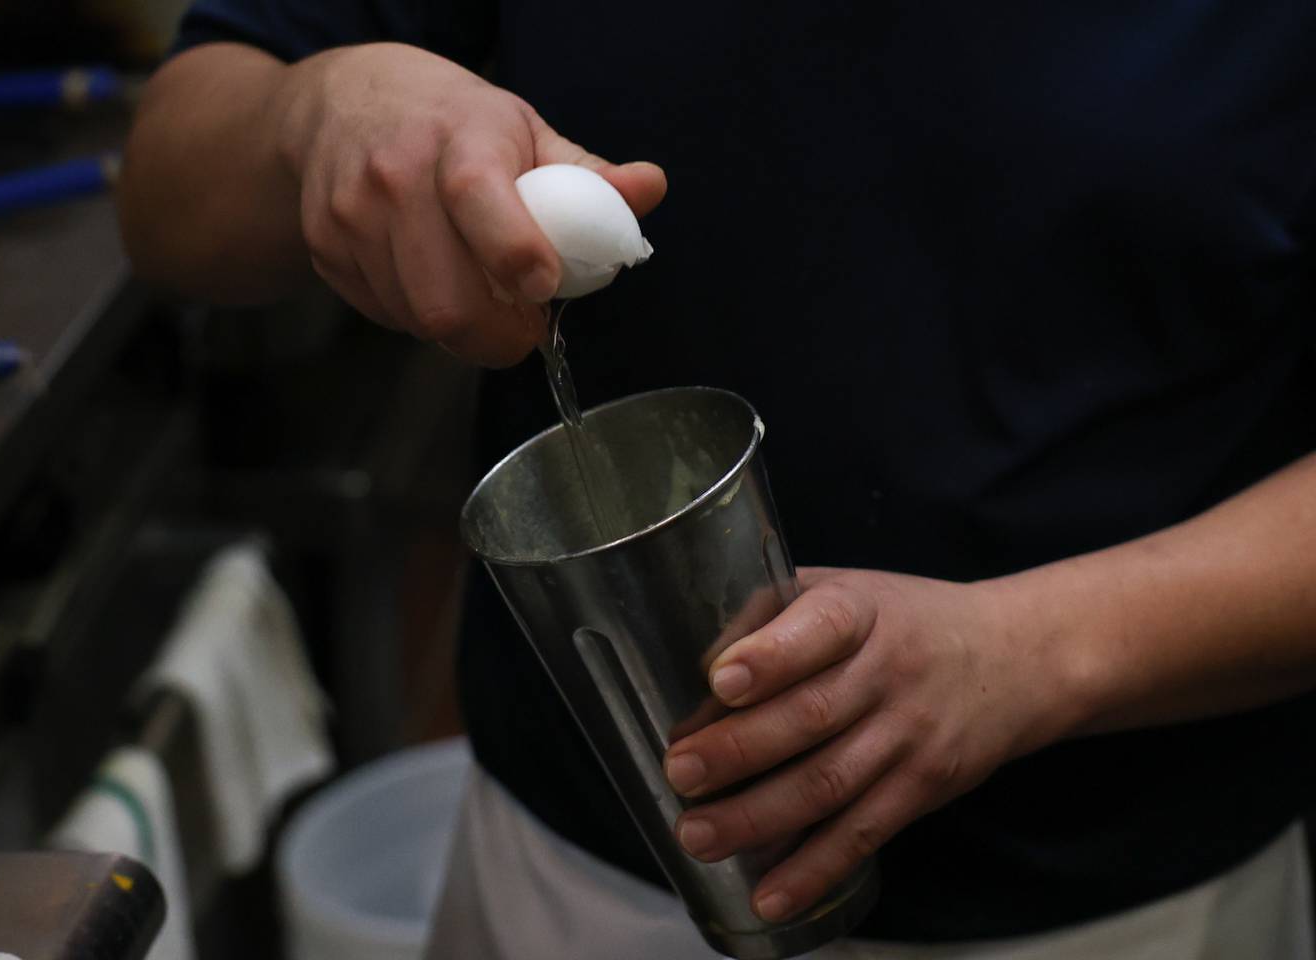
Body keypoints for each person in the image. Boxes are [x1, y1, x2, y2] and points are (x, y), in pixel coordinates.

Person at [119, 3, 1316, 957]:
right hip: (575, 882)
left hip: (1138, 902)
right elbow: (170, 189)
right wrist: (311, 109)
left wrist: (1037, 649)